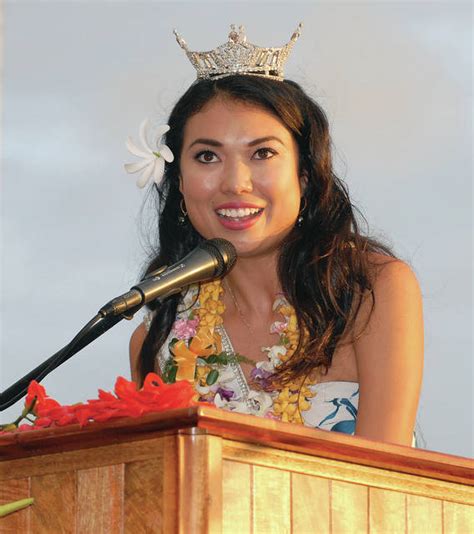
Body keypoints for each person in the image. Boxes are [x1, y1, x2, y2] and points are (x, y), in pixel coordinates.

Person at [128, 25, 423, 447]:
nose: (236, 183)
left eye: (262, 153)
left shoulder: (368, 289)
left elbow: (385, 486)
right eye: (207, 156)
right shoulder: (157, 340)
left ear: (304, 175)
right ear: (179, 183)